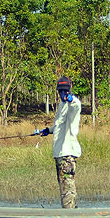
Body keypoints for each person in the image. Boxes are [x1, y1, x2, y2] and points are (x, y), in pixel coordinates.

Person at [35, 76, 82, 208]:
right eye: (60, 91)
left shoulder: (72, 104)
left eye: (65, 91)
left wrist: (71, 99)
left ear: (69, 91)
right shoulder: (62, 106)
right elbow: (59, 126)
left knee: (68, 189)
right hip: (60, 154)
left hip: (67, 154)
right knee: (64, 187)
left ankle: (70, 217)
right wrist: (48, 130)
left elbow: (76, 106)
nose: (62, 94)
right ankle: (70, 214)